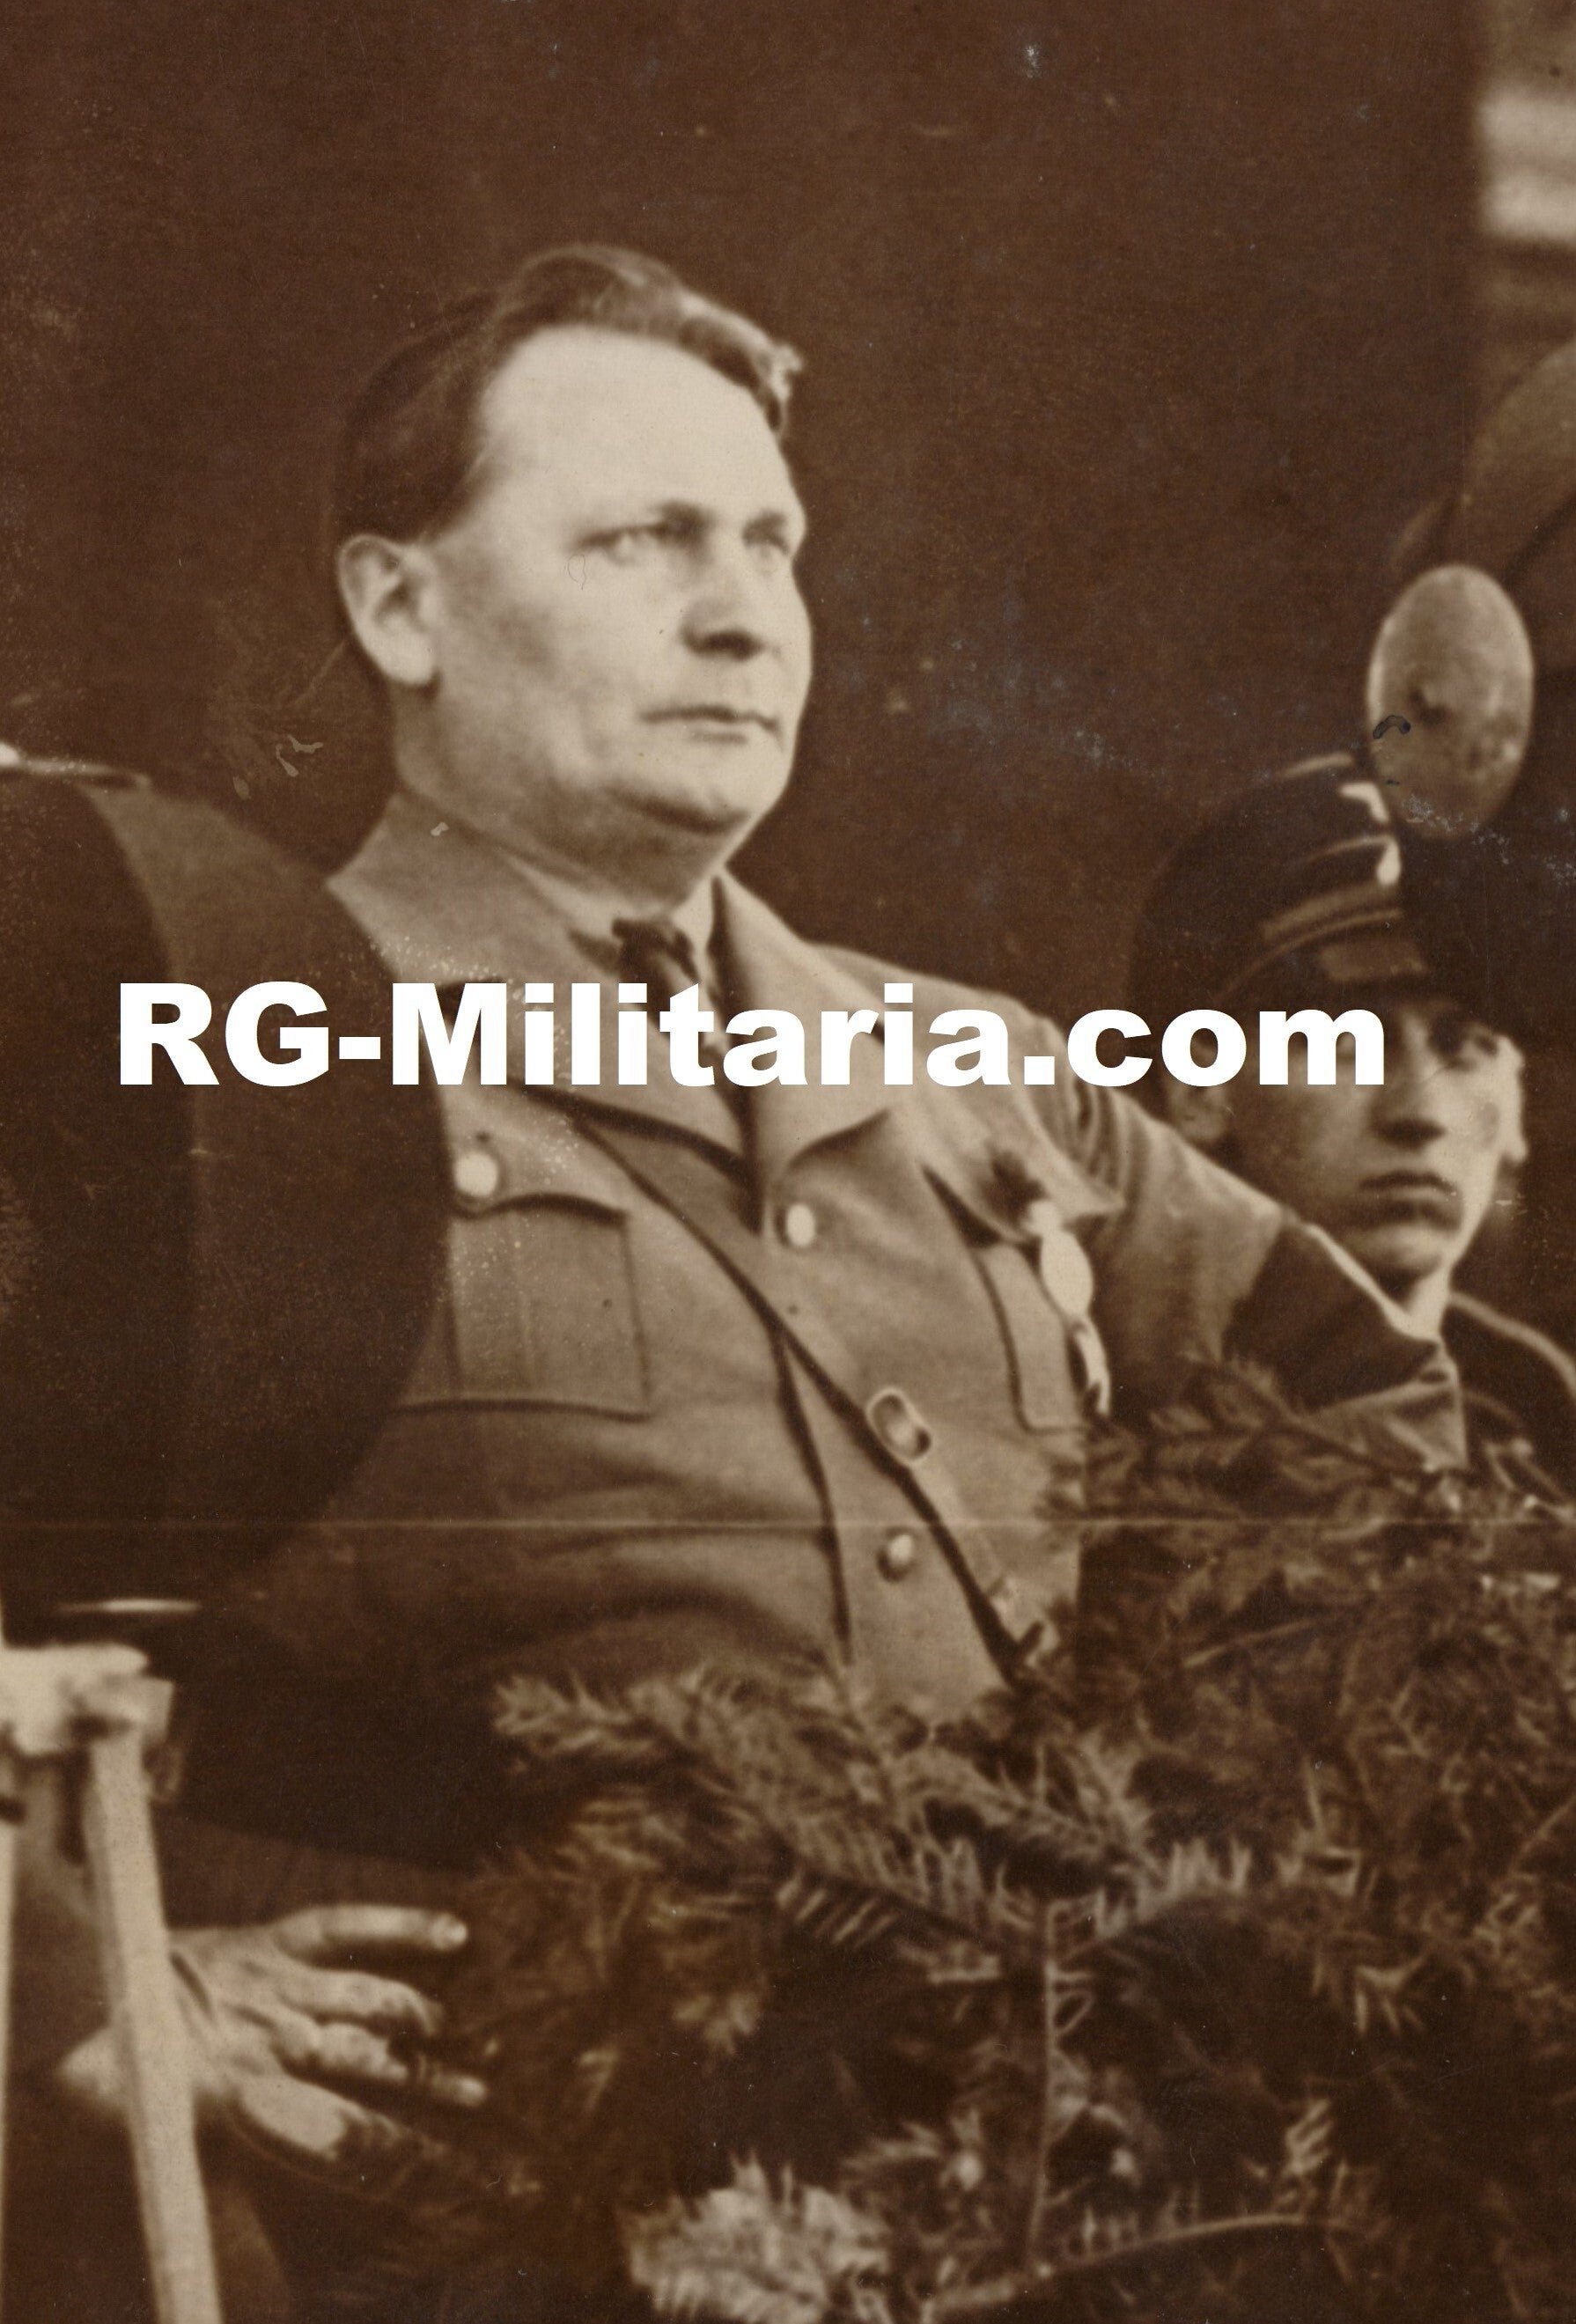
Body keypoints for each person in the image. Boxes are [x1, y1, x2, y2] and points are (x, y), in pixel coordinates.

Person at [50, 248, 1469, 2311]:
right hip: (473, 2207)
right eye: (638, 541)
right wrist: (76, 1979)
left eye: (770, 545)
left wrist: (1190, 1844)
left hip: (1025, 2203)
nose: (740, 616)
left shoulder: (973, 1069)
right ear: (397, 608)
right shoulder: (224, 1052)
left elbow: (1365, 1402)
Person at [1129, 750, 1576, 1492]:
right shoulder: (1104, 1420)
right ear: (1200, 1089)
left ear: (1519, 1104)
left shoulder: (1545, 1433)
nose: (1417, 1114)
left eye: (1464, 1046)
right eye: (1346, 1045)